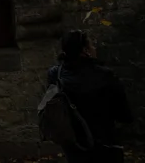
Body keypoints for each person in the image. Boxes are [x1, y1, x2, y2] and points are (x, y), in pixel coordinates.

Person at [48, 30, 132, 163]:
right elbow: (124, 113)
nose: (94, 48)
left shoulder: (55, 74)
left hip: (74, 144)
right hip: (105, 143)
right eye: (91, 45)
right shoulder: (104, 75)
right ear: (84, 50)